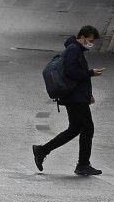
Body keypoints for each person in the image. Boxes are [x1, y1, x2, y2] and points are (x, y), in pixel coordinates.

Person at [33, 26, 105, 176]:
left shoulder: (76, 49)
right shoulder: (74, 50)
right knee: (87, 127)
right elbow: (71, 72)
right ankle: (83, 164)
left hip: (76, 96)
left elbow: (77, 75)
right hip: (74, 97)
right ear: (83, 37)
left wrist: (88, 94)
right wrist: (90, 73)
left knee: (75, 129)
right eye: (90, 41)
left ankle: (41, 150)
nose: (91, 44)